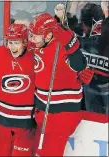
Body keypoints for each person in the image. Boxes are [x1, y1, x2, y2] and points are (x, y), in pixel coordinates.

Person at [29, 13, 93, 156]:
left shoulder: (61, 48)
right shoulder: (36, 45)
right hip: (42, 113)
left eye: (35, 35)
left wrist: (71, 46)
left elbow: (79, 64)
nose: (31, 38)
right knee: (35, 150)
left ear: (48, 35)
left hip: (60, 116)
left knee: (48, 153)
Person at [0, 24, 36, 156]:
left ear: (25, 42)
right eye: (10, 42)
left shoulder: (35, 56)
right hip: (1, 119)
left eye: (16, 43)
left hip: (25, 123)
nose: (12, 47)